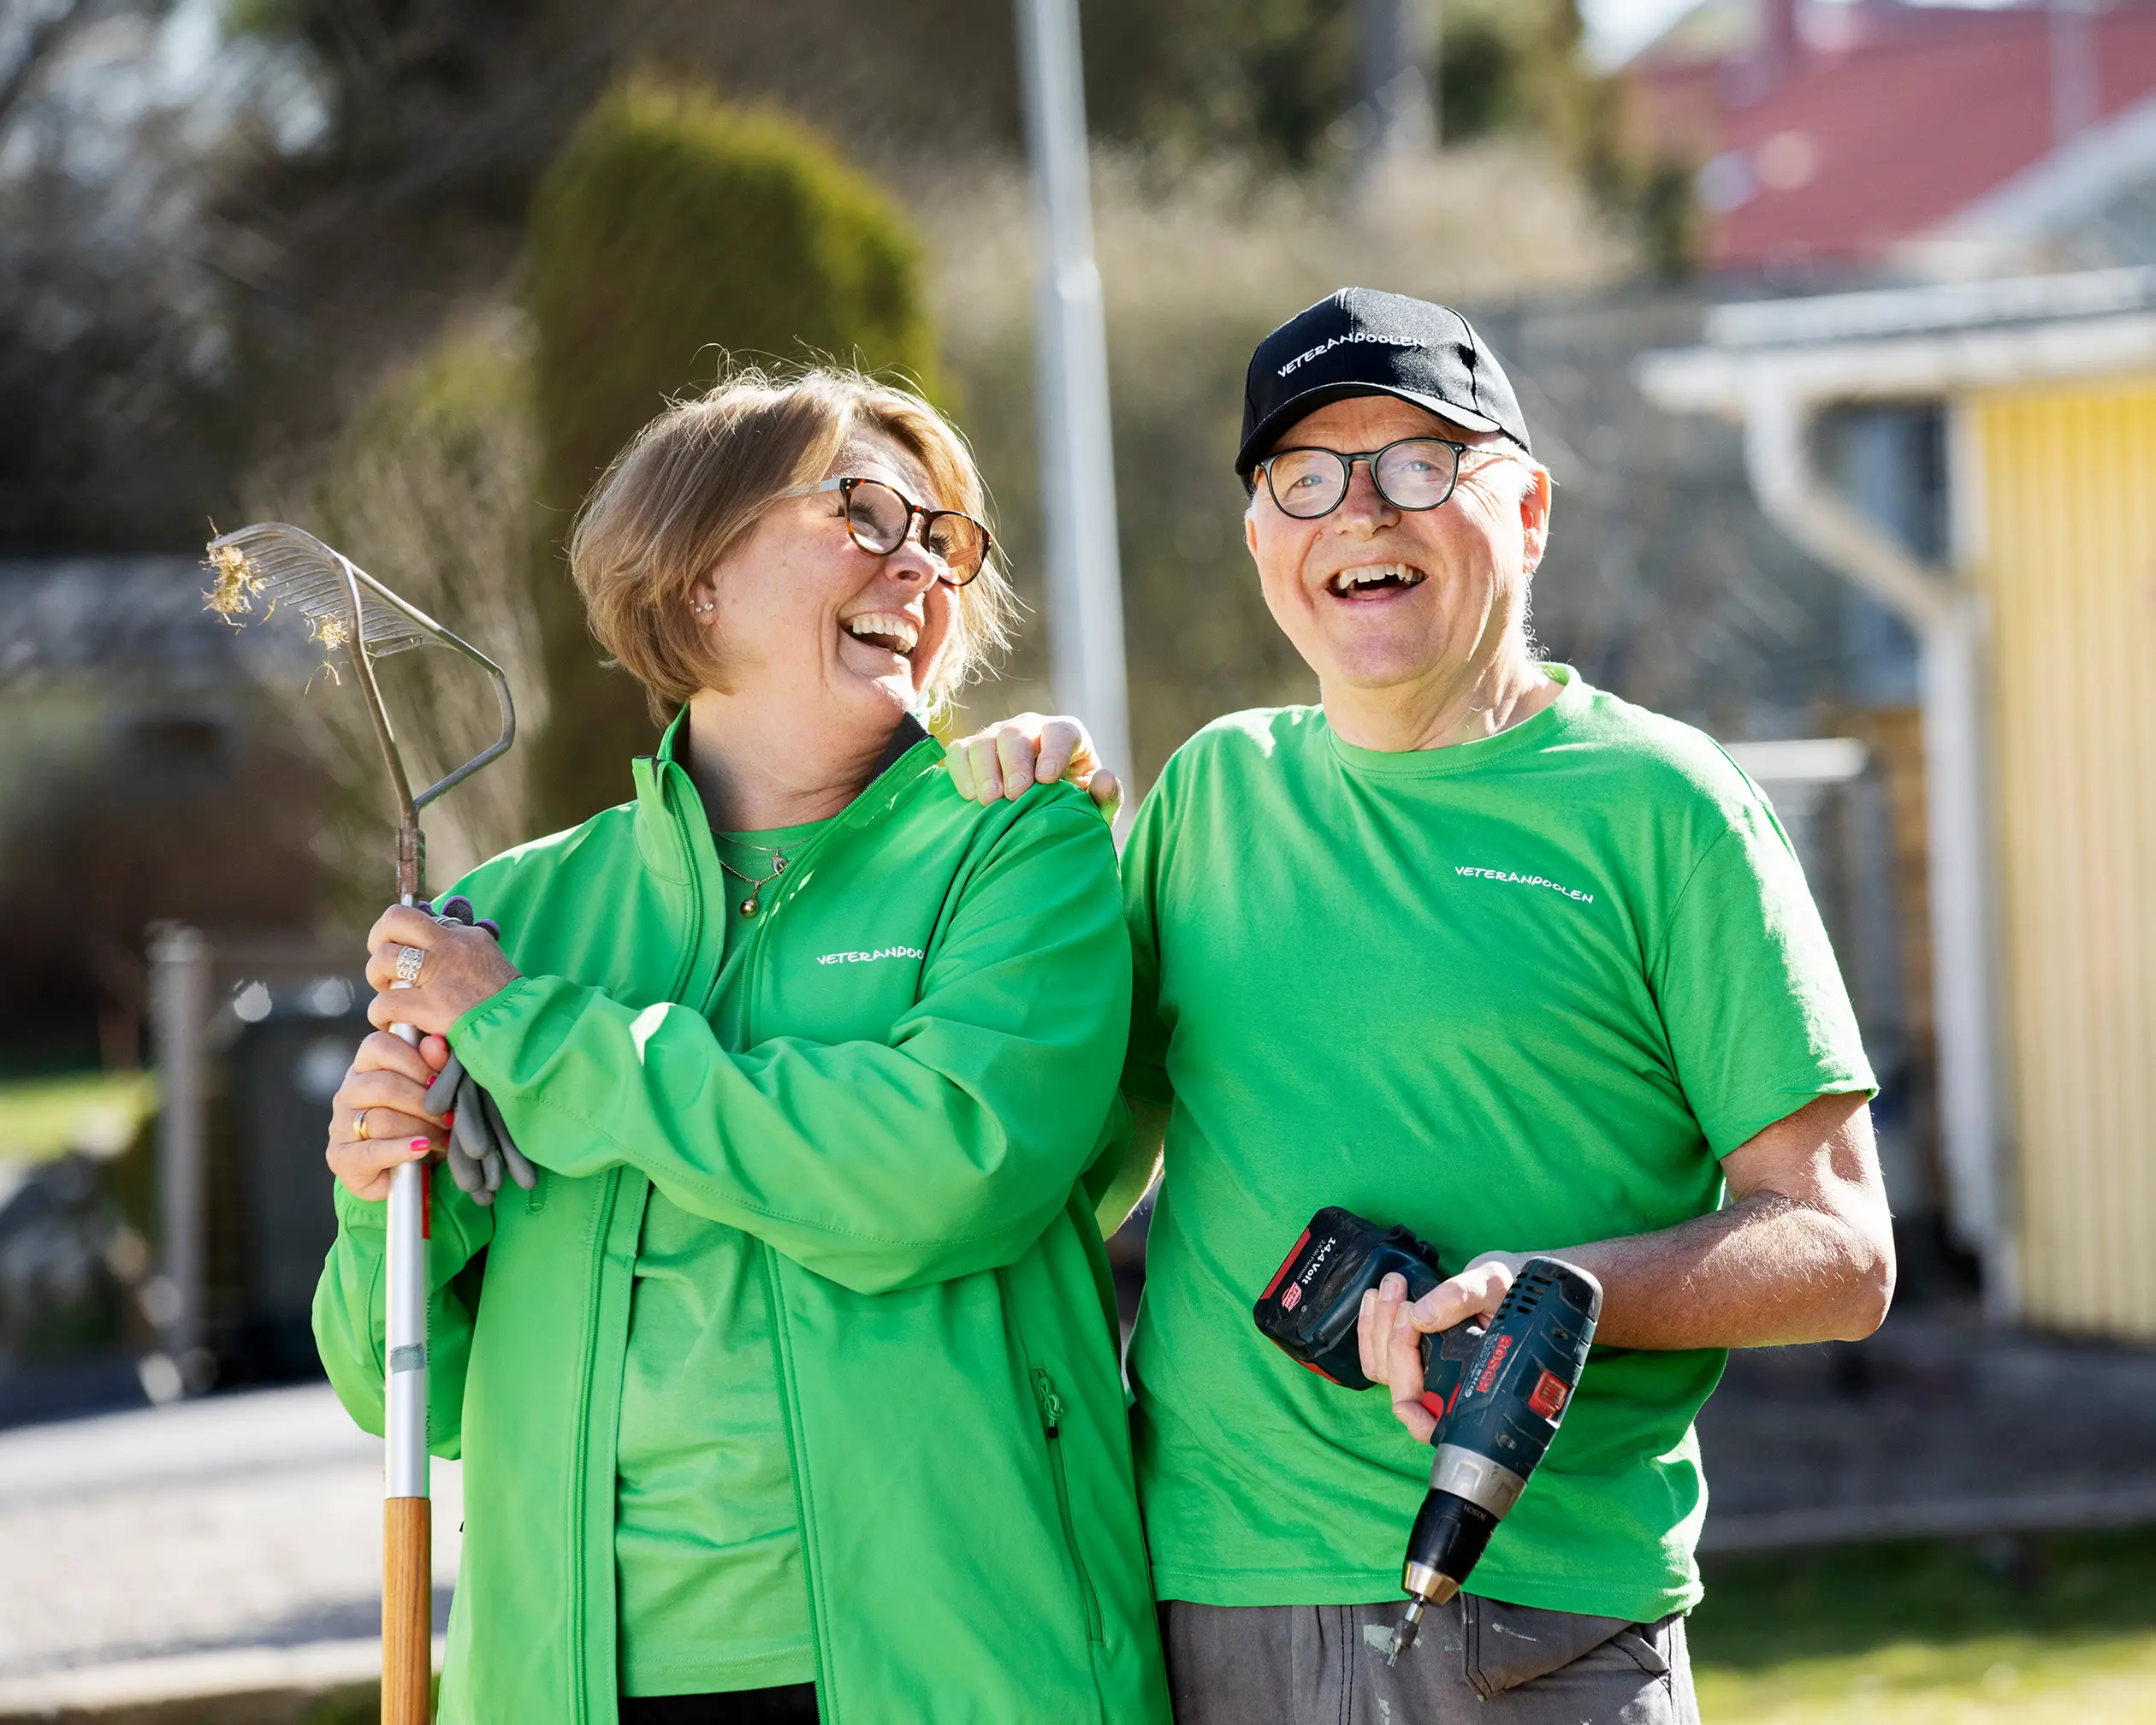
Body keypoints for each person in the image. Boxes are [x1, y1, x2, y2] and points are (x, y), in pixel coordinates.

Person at [948, 288, 1896, 1724]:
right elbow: (1048, 1162)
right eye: (1305, 477)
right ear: (1260, 537)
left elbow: (1838, 1248)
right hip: (1206, 1602)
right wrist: (999, 842)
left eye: (1419, 463)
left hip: (1540, 1621)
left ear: (1529, 512)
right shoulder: (1211, 795)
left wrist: (1556, 1292)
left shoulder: (1666, 807)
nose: (1361, 512)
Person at [312, 369, 1172, 1724]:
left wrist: (535, 1033)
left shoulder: (1020, 848)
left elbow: (951, 1166)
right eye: (865, 512)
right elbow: (405, 1393)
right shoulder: (515, 915)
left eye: (943, 539)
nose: (919, 565)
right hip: (570, 1681)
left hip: (949, 1661)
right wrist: (382, 1200)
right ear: (697, 571)